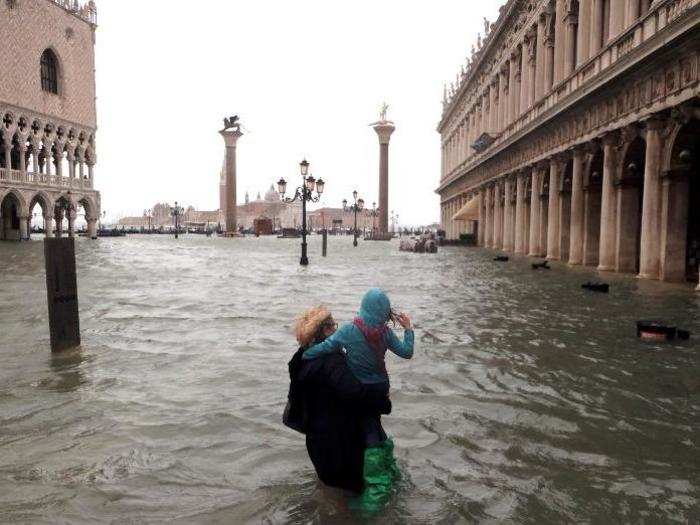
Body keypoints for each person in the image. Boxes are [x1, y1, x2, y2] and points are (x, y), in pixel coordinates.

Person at [301, 288, 414, 511]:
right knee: (376, 427)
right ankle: (392, 472)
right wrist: (408, 329)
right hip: (381, 388)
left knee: (370, 432)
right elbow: (406, 352)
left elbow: (325, 347)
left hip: (361, 392)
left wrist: (305, 353)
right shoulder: (385, 333)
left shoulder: (349, 330)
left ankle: (374, 498)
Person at [284, 306, 392, 495]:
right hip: (341, 447)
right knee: (353, 499)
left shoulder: (301, 359)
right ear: (325, 330)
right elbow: (356, 394)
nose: (337, 329)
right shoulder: (331, 361)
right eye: (333, 325)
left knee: (332, 497)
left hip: (317, 444)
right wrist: (384, 402)